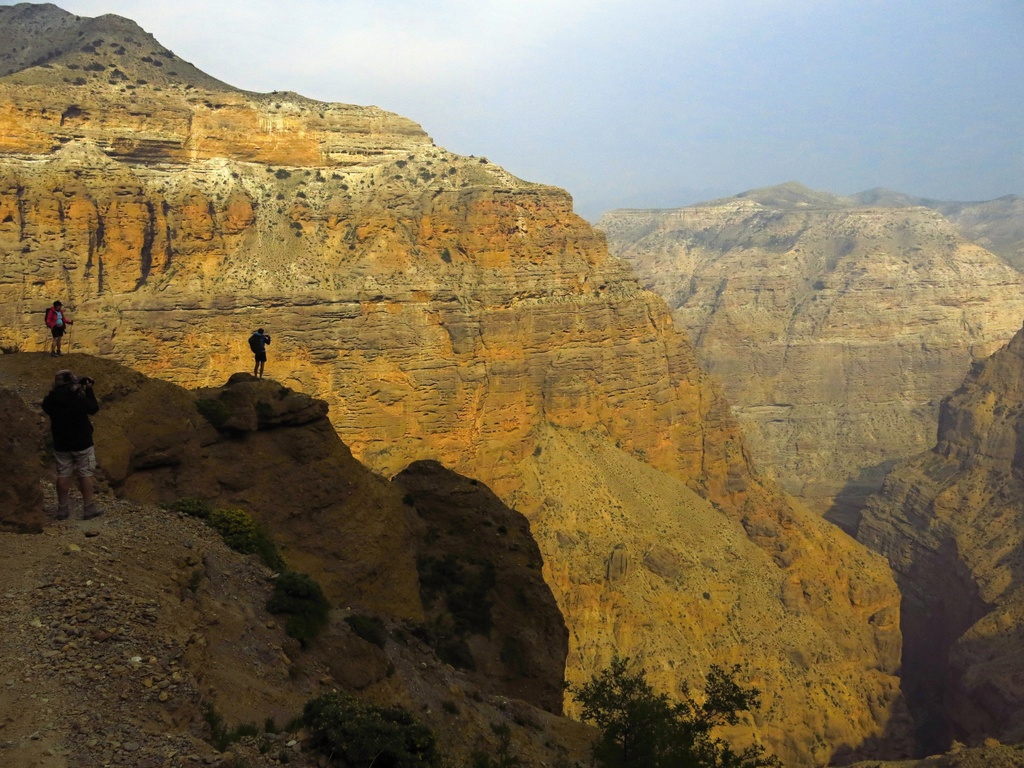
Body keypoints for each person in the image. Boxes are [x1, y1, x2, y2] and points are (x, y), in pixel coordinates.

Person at [41, 370, 100, 520]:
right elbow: (93, 408)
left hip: (61, 444)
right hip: (82, 443)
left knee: (63, 475)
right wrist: (88, 390)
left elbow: (46, 403)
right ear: (71, 383)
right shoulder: (78, 400)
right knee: (85, 475)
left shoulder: (51, 401)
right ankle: (88, 508)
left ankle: (62, 509)